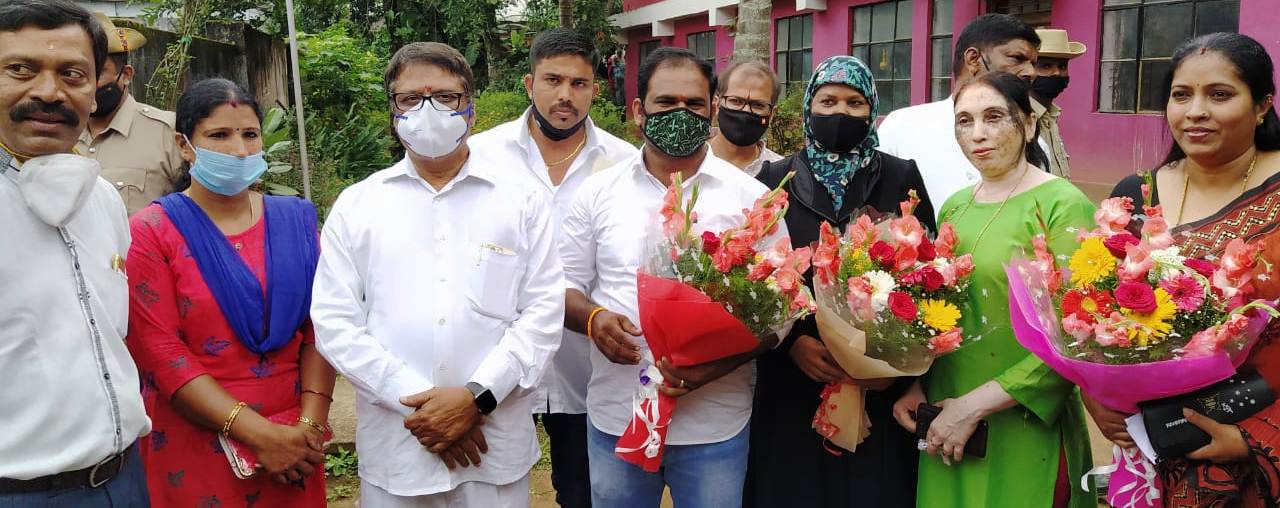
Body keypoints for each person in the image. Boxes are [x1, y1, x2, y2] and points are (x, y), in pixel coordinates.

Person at [311, 41, 565, 507]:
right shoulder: (358, 205)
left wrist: (477, 399)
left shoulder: (521, 201)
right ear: (393, 110)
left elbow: (543, 313)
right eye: (410, 98)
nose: (427, 111)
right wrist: (421, 404)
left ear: (471, 107)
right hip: (400, 448)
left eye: (446, 97)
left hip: (493, 447)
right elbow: (334, 323)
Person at [560, 47, 787, 508]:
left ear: (713, 110)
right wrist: (594, 321)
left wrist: (715, 366)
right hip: (618, 414)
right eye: (665, 102)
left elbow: (781, 310)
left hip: (714, 424)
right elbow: (561, 286)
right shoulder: (597, 193)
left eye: (694, 104)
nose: (680, 113)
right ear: (638, 111)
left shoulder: (752, 200)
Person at [124, 78, 333, 507]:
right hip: (194, 435)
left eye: (249, 134)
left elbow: (323, 326)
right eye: (219, 135)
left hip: (296, 440)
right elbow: (160, 351)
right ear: (184, 145)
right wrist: (259, 436)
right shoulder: (152, 232)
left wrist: (308, 428)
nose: (239, 150)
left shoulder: (296, 221)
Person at [892, 71, 1095, 508]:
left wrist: (974, 407)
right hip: (946, 414)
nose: (978, 134)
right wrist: (916, 385)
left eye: (994, 117)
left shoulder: (1062, 205)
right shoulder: (955, 206)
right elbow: (938, 310)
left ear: (1029, 124)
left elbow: (1077, 335)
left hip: (1022, 416)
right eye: (964, 121)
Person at [1098, 32, 1280, 507]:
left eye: (1219, 95)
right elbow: (1092, 307)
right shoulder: (1135, 194)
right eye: (1181, 95)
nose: (1195, 111)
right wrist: (1096, 398)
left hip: (1258, 450)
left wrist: (1252, 438)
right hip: (1149, 446)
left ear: (1263, 104)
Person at [745, 55, 935, 508]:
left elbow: (929, 273)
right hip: (794, 381)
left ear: (872, 110)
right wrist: (792, 343)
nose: (840, 113)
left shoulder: (900, 175)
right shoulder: (774, 179)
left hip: (880, 384)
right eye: (828, 101)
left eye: (854, 103)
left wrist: (894, 365)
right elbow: (754, 279)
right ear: (809, 107)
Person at [469, 27, 637, 508]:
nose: (565, 95)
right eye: (552, 80)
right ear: (529, 84)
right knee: (488, 488)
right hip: (495, 356)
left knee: (582, 491)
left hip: (584, 360)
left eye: (578, 83)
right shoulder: (481, 155)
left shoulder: (623, 163)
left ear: (595, 90)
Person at [0, 0, 151, 505]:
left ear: (96, 87)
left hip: (125, 479)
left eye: (73, 75)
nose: (49, 92)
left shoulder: (102, 199)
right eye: (20, 69)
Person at [878, 13, 1041, 210]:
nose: (1031, 72)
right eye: (1017, 58)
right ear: (974, 59)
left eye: (1033, 63)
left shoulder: (1034, 139)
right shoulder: (901, 126)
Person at [77, 13, 186, 215]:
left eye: (98, 73)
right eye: (77, 73)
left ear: (126, 75)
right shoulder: (58, 134)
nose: (88, 84)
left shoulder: (168, 132)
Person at [708, 60, 784, 176]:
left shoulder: (782, 173)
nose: (746, 110)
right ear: (717, 105)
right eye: (736, 101)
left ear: (771, 114)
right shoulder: (690, 162)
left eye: (758, 105)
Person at [1029, 28, 1085, 179]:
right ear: (1029, 70)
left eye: (1062, 66)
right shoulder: (1021, 118)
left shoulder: (1051, 116)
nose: (1057, 73)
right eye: (1046, 66)